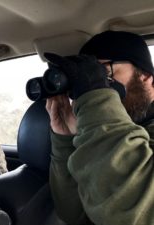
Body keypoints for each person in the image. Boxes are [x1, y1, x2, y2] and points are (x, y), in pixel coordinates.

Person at [45, 31, 154, 225]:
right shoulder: (96, 130)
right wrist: (65, 141)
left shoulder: (103, 123)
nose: (98, 85)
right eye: (89, 78)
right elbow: (73, 215)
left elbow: (134, 214)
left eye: (104, 72)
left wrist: (96, 97)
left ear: (146, 77)